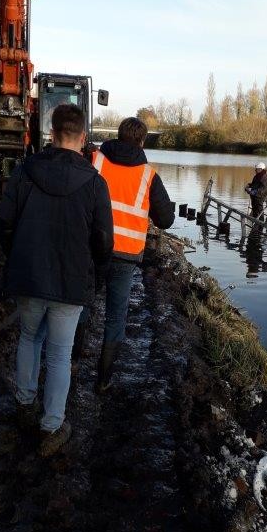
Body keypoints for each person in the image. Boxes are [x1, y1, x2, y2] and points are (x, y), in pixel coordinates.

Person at [0, 104, 113, 456]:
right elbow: (104, 240)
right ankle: (51, 426)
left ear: (51, 134)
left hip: (29, 276)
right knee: (60, 355)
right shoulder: (95, 183)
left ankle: (25, 402)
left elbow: (4, 223)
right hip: (71, 282)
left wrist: (15, 256)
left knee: (29, 338)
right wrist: (97, 276)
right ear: (83, 138)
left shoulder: (24, 171)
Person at [91, 116, 174, 392]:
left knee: (80, 302)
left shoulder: (96, 160)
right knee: (116, 316)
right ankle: (103, 379)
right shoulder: (148, 175)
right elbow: (165, 220)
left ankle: (71, 360)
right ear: (142, 141)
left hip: (92, 248)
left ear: (117, 135)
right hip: (125, 256)